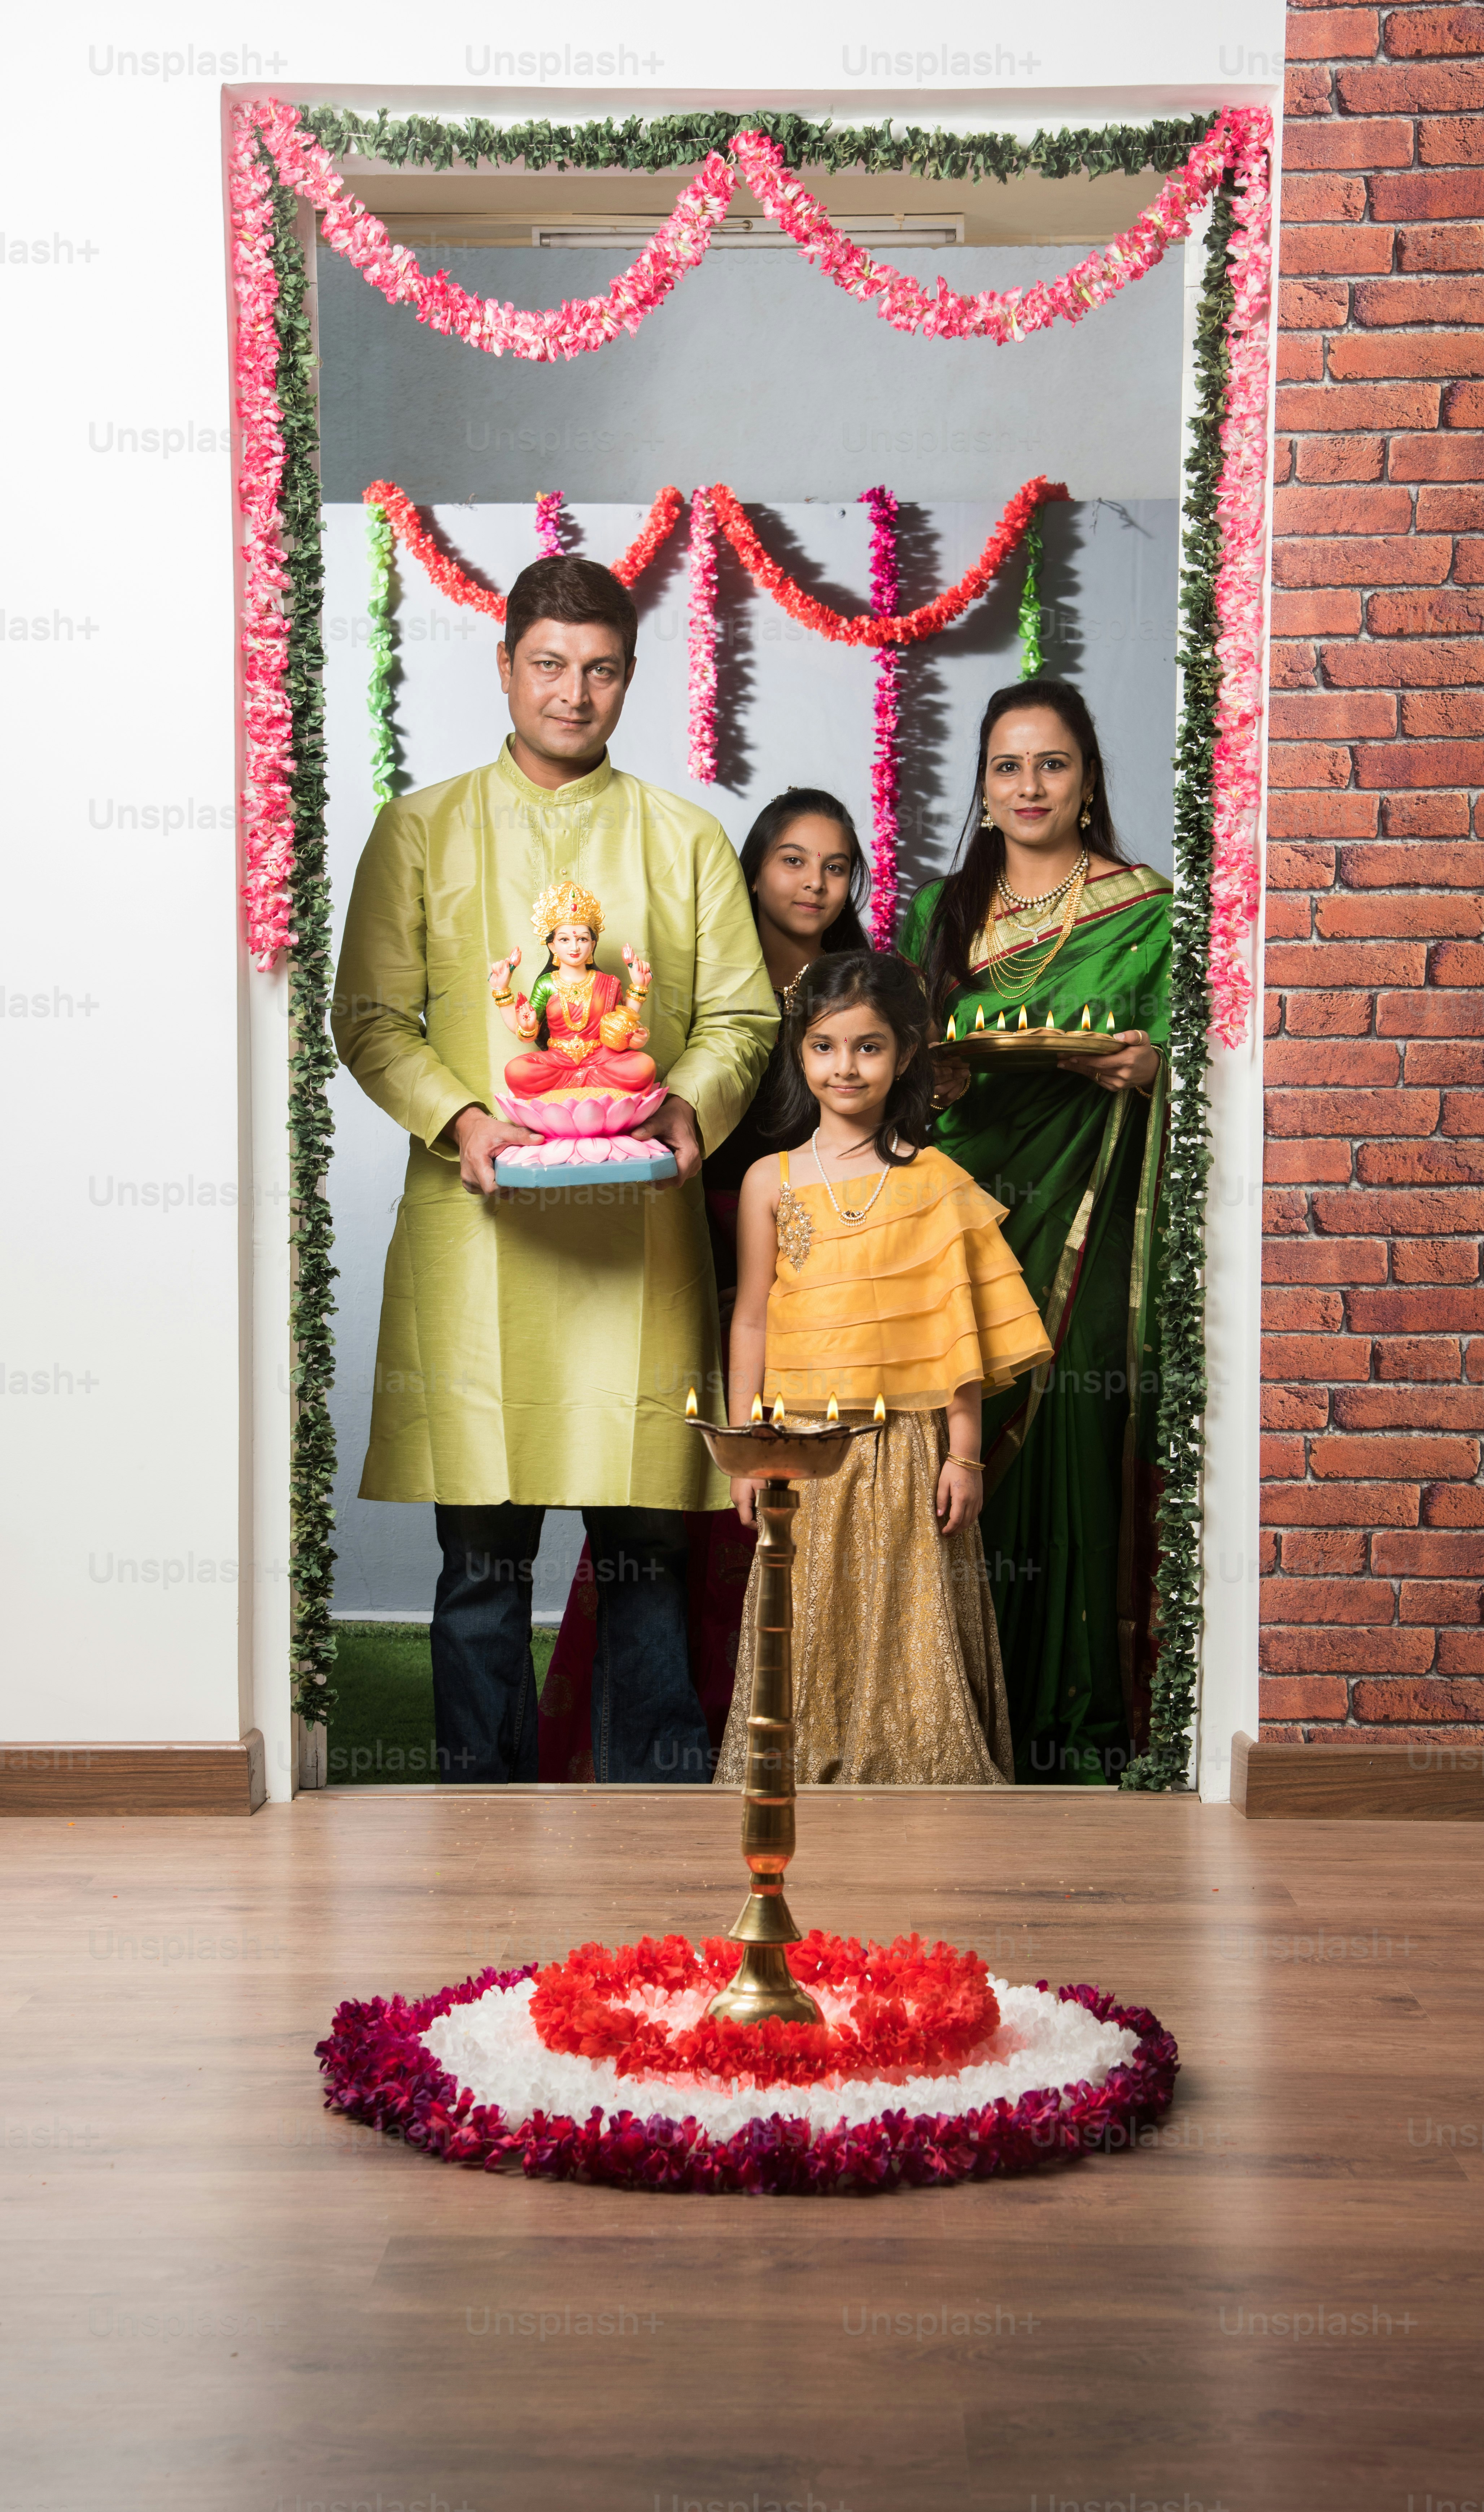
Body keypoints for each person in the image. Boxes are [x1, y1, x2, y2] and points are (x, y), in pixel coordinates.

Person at [331, 554, 778, 1785]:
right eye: (548, 665)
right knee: (479, 1571)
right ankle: (478, 1825)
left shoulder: (682, 838)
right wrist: (465, 1118)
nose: (572, 694)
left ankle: (654, 1831)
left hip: (637, 1250)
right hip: (480, 1241)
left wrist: (686, 1113)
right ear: (505, 665)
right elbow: (370, 1016)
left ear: (629, 678)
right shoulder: (418, 830)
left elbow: (742, 1019)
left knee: (646, 1566)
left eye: (599, 670)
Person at [537, 788, 872, 1780]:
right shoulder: (701, 981)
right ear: (753, 869)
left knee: (803, 1484)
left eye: (837, 865)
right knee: (684, 1480)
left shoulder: (866, 985)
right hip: (702, 1244)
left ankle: (792, 1733)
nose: (816, 883)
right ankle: (662, 1745)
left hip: (821, 1258)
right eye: (793, 861)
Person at [899, 677, 1172, 1786]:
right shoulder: (942, 909)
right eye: (1006, 767)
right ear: (984, 783)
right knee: (953, 1431)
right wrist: (939, 1072)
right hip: (968, 1206)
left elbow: (1195, 1049)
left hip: (1092, 1211)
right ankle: (951, 1708)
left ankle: (1071, 1723)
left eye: (1051, 764)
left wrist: (1158, 1066)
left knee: (1071, 1411)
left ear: (1090, 778)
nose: (1028, 786)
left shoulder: (1148, 906)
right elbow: (899, 1062)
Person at [713, 951, 1052, 1788]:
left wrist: (964, 1452)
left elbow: (957, 1332)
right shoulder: (770, 1180)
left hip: (904, 1448)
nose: (845, 1067)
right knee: (811, 1620)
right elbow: (750, 1315)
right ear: (800, 1052)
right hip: (800, 1447)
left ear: (905, 1055)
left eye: (867, 1048)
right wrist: (747, 1447)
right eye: (825, 1046)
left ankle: (916, 1790)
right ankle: (799, 1788)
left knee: (908, 1617)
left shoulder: (935, 1183)